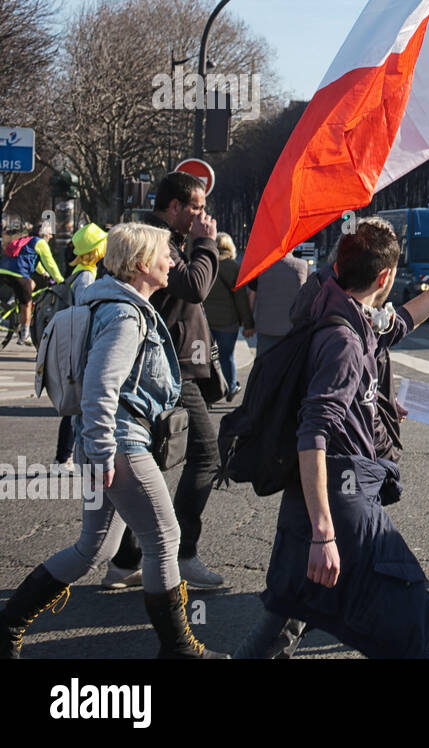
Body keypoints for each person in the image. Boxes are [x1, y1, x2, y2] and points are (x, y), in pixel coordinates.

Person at [252, 220, 429, 658]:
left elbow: (401, 321)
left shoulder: (339, 305)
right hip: (339, 490)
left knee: (292, 604)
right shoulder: (343, 337)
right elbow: (314, 432)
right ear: (384, 278)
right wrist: (325, 533)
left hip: (325, 489)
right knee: (406, 603)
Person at [0, 223, 226, 658]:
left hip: (108, 441)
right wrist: (103, 452)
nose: (171, 262)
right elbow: (101, 388)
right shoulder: (125, 315)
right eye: (166, 255)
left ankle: (8, 624)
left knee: (95, 547)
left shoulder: (116, 303)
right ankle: (179, 650)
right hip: (119, 443)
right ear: (143, 265)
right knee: (164, 538)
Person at [103, 171, 224, 591]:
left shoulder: (164, 238)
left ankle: (127, 559)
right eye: (196, 208)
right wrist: (206, 244)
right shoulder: (157, 242)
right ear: (173, 207)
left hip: (172, 365)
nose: (203, 216)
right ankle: (182, 554)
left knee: (154, 458)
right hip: (170, 370)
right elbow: (195, 287)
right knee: (207, 456)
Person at [53, 223, 108, 470]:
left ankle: (66, 456)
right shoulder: (87, 275)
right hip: (81, 347)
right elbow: (87, 312)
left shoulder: (81, 272)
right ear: (96, 250)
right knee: (79, 405)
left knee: (77, 405)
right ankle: (67, 457)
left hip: (75, 344)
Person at [203, 233, 254, 402]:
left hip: (206, 321)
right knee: (227, 357)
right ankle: (231, 387)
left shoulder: (206, 265)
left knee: (207, 359)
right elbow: (241, 299)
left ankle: (209, 392)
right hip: (228, 322)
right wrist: (248, 323)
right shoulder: (233, 268)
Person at [0, 221, 64, 345]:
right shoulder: (40, 243)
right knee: (28, 304)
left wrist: (44, 274)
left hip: (3, 271)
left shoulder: (28, 240)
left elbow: (34, 260)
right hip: (18, 274)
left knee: (31, 283)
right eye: (50, 233)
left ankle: (13, 301)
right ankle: (25, 335)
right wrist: (61, 281)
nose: (51, 236)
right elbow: (50, 263)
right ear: (44, 233)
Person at [248, 250, 310, 356]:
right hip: (292, 328)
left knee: (264, 366)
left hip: (265, 327)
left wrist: (248, 324)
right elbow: (308, 297)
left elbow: (251, 296)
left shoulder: (260, 266)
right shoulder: (302, 266)